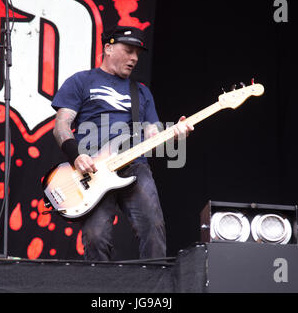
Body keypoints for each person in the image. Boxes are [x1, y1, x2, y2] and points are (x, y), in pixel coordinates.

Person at [51, 25, 193, 261]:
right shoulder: (81, 81)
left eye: (137, 54)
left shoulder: (142, 92)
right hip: (93, 170)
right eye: (128, 51)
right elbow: (61, 126)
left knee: (153, 227)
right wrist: (76, 156)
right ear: (108, 48)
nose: (134, 58)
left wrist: (174, 133)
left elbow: (151, 133)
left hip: (134, 165)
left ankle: (152, 290)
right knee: (96, 237)